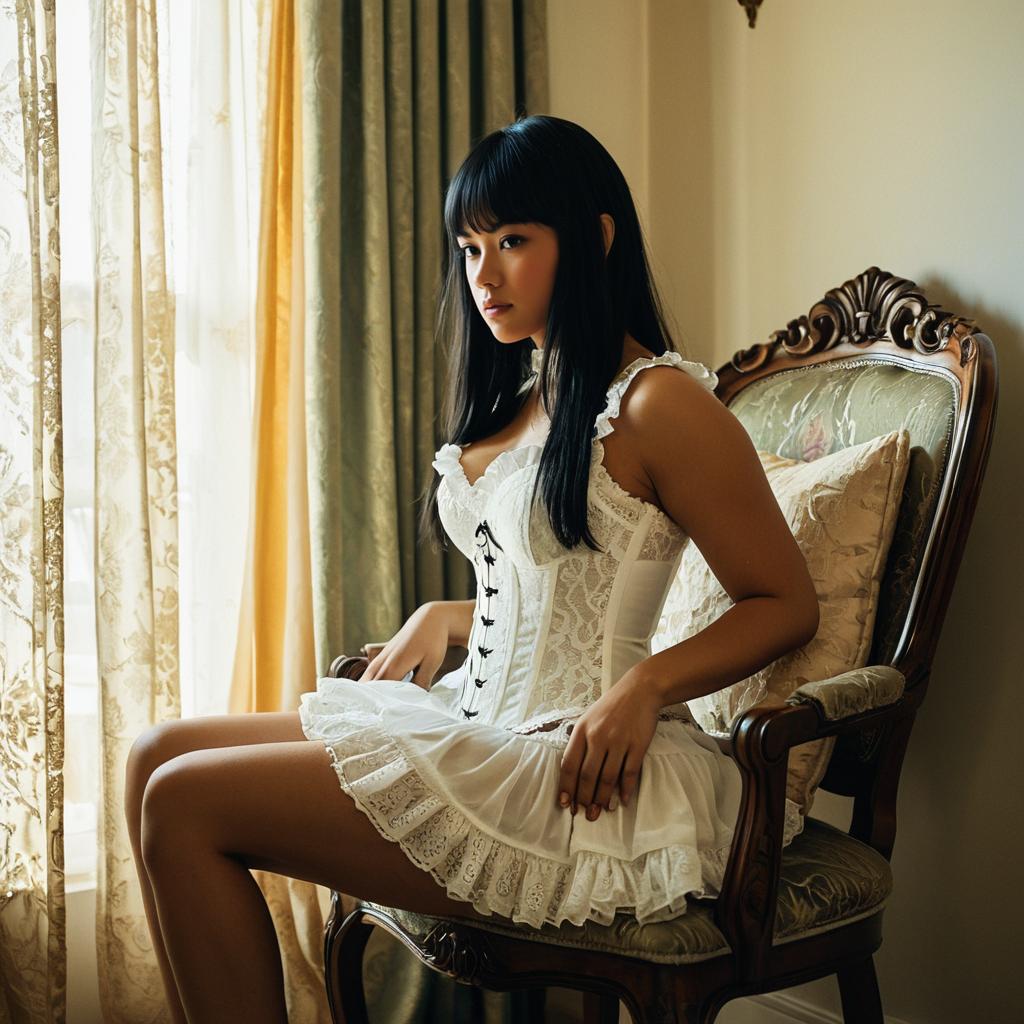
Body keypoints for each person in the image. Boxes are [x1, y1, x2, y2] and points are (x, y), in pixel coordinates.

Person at [126, 114, 819, 1023]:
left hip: (571, 772)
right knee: (153, 755)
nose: (484, 274)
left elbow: (784, 602)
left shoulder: (661, 403)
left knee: (185, 803)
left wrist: (645, 686)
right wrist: (453, 613)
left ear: (596, 239)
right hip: (481, 718)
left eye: (514, 242)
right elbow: (568, 572)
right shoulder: (535, 395)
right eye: (470, 247)